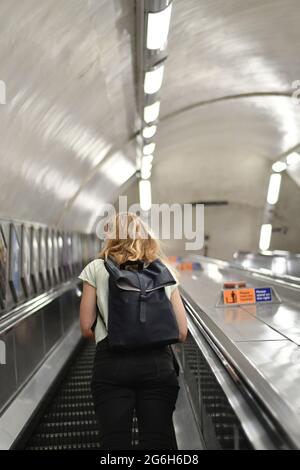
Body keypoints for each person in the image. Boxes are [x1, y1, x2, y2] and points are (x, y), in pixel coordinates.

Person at [78, 212, 188, 450]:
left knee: (114, 443)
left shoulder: (96, 268)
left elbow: (86, 327)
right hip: (158, 365)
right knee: (158, 442)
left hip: (112, 363)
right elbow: (181, 332)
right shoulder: (163, 271)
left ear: (111, 237)